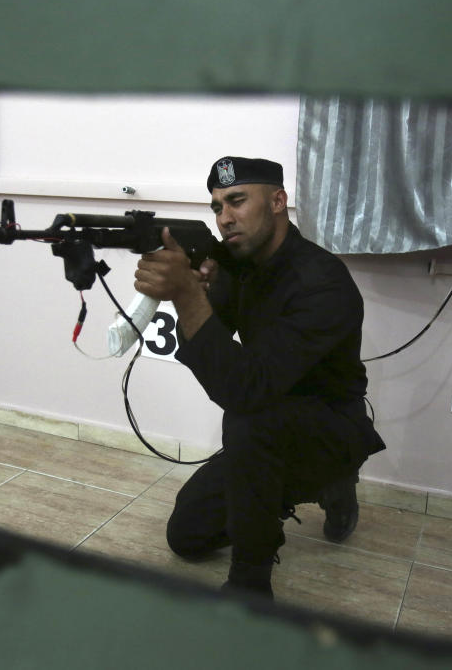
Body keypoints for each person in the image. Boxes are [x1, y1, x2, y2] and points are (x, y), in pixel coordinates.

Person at [133, 156, 385, 599]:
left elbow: (243, 388)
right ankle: (277, 493)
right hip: (267, 428)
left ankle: (251, 581)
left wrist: (188, 296)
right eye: (216, 207)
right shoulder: (239, 265)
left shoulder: (322, 281)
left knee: (249, 417)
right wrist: (199, 292)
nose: (225, 218)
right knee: (187, 537)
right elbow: (219, 356)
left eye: (236, 201)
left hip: (328, 428)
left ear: (277, 201)